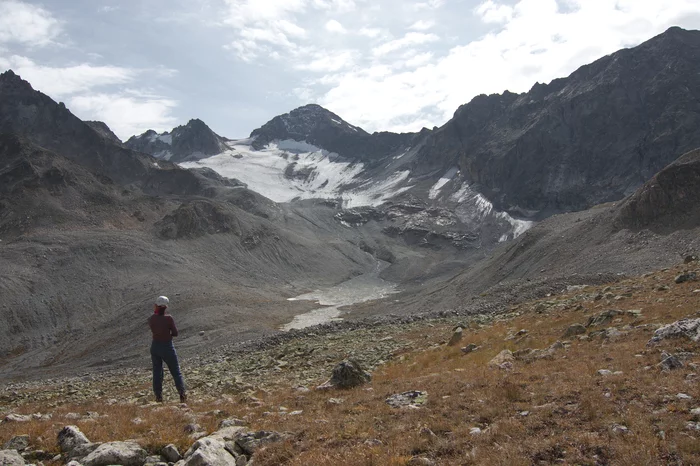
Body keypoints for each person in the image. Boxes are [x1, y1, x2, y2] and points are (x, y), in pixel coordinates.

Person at [147, 296, 187, 403]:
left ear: (156, 305)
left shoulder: (151, 318)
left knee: (157, 372)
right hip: (167, 346)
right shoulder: (168, 318)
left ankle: (158, 396)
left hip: (155, 346)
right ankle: (182, 394)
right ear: (165, 307)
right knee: (175, 372)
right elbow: (175, 333)